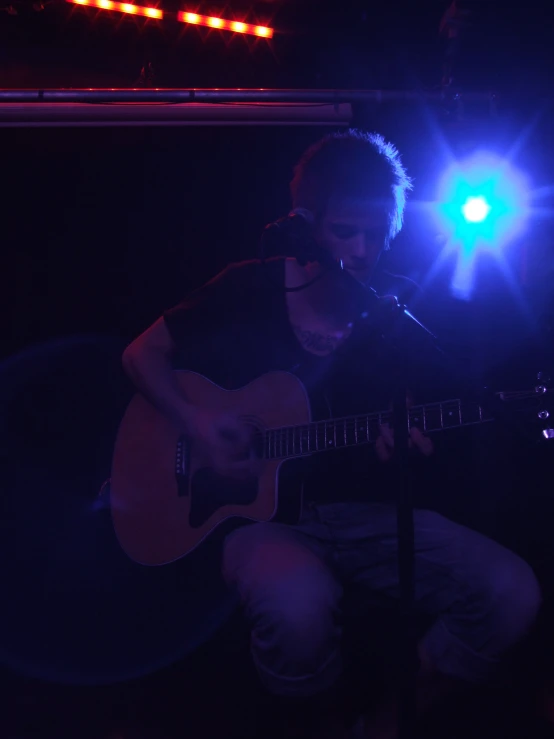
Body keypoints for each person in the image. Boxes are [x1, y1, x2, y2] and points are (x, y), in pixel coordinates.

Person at [121, 130, 542, 738]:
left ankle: (387, 723)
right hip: (259, 521)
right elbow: (141, 356)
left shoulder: (396, 309)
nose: (364, 250)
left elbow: (402, 423)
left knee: (511, 593)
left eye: (379, 233)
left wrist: (401, 449)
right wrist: (199, 422)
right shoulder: (251, 286)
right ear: (308, 223)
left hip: (364, 515)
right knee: (296, 610)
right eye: (347, 231)